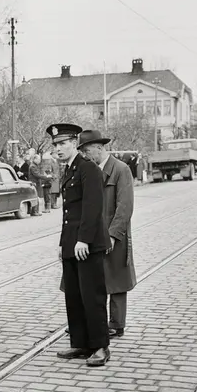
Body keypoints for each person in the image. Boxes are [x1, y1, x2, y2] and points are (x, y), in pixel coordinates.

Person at [48, 123, 110, 367]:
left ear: (74, 143)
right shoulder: (70, 169)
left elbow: (92, 207)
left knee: (92, 295)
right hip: (72, 244)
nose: (58, 148)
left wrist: (83, 239)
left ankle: (100, 346)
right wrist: (63, 243)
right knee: (74, 296)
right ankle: (81, 342)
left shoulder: (88, 168)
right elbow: (69, 213)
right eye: (55, 144)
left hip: (88, 244)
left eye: (63, 143)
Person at [77, 130, 136, 338]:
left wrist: (112, 235)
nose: (85, 155)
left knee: (117, 279)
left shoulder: (121, 169)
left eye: (87, 151)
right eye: (82, 152)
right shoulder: (88, 170)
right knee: (93, 279)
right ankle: (95, 322)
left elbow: (125, 206)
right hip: (93, 233)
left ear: (100, 148)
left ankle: (116, 323)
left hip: (114, 235)